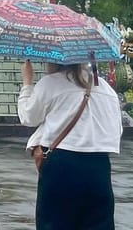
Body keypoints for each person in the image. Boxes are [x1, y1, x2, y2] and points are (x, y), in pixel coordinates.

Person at [18, 59, 123, 230]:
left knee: (55, 223)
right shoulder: (105, 89)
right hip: (99, 167)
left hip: (62, 165)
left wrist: (27, 83)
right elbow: (115, 131)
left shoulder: (50, 83)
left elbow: (28, 117)